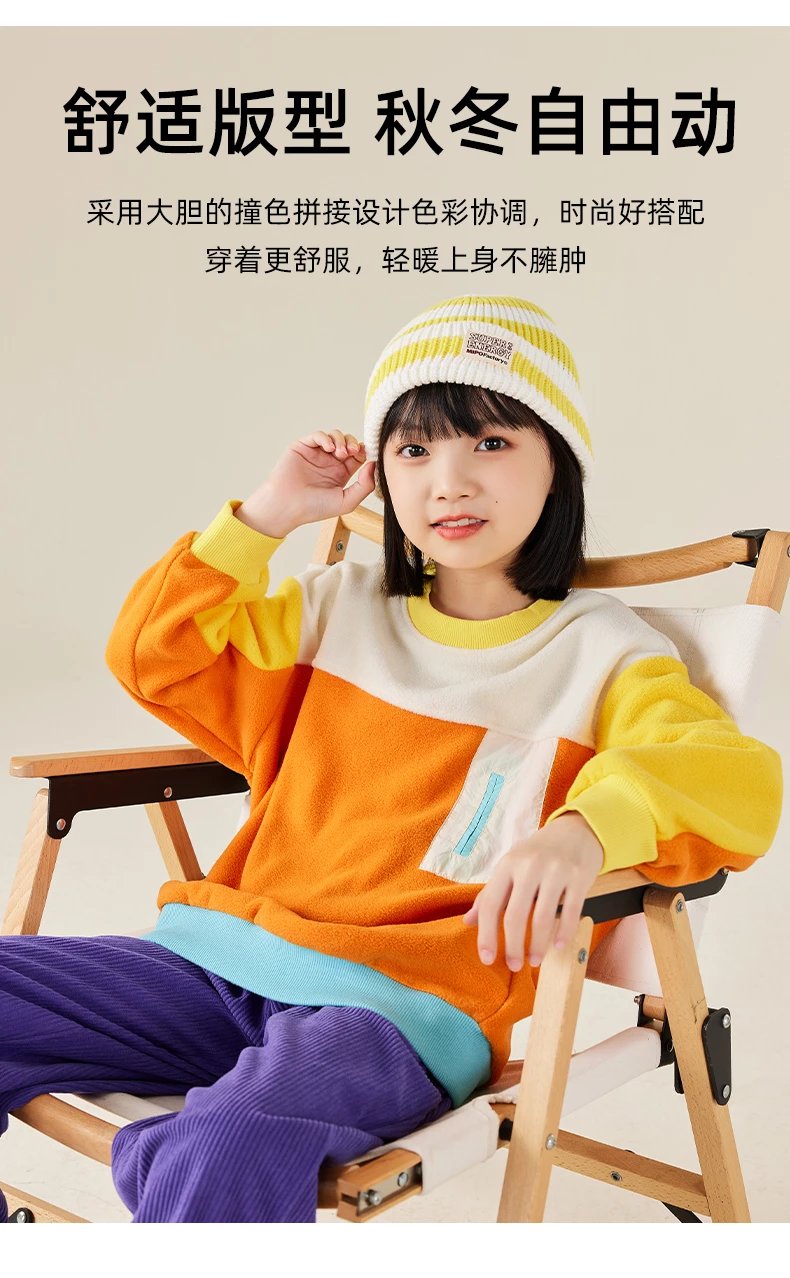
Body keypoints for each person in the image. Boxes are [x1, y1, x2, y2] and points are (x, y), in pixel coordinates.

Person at [0, 294, 782, 1224]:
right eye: (414, 451)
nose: (450, 482)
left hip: (395, 1014)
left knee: (223, 1142)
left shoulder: (607, 655)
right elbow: (152, 654)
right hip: (214, 966)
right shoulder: (336, 607)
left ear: (558, 465)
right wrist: (268, 515)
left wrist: (584, 829)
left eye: (491, 442)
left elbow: (734, 779)